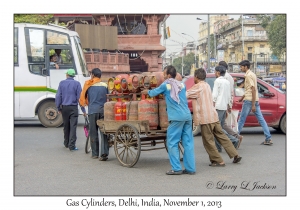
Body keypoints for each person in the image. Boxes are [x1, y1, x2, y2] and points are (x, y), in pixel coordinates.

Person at [141, 65, 196, 175]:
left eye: (164, 73)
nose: (163, 75)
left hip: (176, 117)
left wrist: (146, 91)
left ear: (169, 75)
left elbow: (153, 93)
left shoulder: (166, 84)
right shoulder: (182, 84)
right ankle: (190, 169)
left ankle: (176, 168)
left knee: (172, 142)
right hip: (187, 116)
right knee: (188, 143)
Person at [186, 68, 242, 166]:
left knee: (208, 141)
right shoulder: (207, 85)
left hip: (206, 118)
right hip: (214, 115)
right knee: (222, 136)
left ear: (196, 77)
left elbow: (185, 94)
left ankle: (218, 160)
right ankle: (235, 154)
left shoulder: (198, 86)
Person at [237, 60, 273, 145]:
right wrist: (242, 97)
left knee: (241, 120)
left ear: (246, 67)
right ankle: (268, 138)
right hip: (254, 99)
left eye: (241, 67)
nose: (240, 68)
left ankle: (235, 138)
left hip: (250, 101)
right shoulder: (252, 74)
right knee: (261, 119)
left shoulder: (249, 76)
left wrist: (252, 104)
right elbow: (249, 89)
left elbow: (253, 89)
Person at [79, 68, 109, 160]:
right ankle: (104, 153)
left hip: (92, 111)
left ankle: (95, 153)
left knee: (93, 132)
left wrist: (84, 106)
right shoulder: (105, 85)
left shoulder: (88, 84)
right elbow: (108, 97)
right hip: (103, 110)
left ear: (93, 75)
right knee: (103, 132)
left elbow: (82, 98)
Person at [212, 66, 239, 151]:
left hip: (218, 106)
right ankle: (218, 147)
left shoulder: (217, 81)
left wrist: (212, 106)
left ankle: (233, 139)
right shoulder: (227, 82)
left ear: (218, 73)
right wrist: (228, 107)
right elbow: (228, 96)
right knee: (220, 127)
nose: (214, 73)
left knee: (217, 128)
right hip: (224, 106)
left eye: (215, 72)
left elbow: (214, 95)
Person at [218, 61, 243, 148]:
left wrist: (229, 105)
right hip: (224, 104)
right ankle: (235, 137)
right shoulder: (227, 77)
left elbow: (229, 93)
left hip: (222, 104)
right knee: (222, 124)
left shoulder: (225, 78)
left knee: (220, 125)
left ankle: (234, 138)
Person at [55, 69, 82, 151]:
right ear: (73, 76)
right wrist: (83, 110)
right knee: (73, 126)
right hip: (73, 108)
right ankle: (72, 145)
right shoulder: (77, 84)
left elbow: (58, 96)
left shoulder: (62, 83)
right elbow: (79, 98)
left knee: (66, 126)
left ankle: (66, 143)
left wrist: (58, 108)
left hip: (65, 108)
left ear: (67, 75)